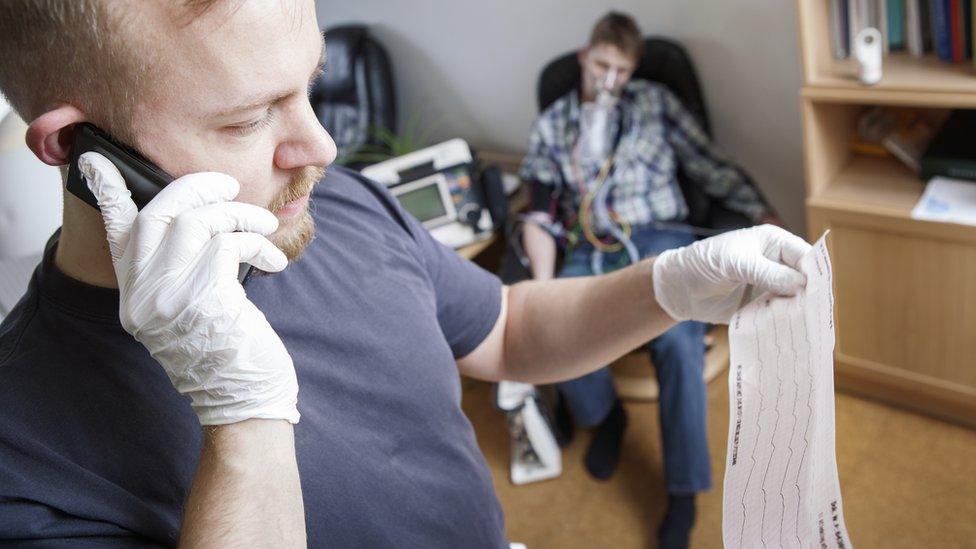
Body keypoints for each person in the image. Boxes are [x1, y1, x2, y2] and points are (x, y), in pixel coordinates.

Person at [0, 1, 810, 547]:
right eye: (248, 119)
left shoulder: (340, 202)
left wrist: (666, 284)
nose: (320, 147)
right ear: (79, 151)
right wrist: (242, 423)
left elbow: (511, 330)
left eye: (309, 87)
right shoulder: (23, 458)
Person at [518, 11, 782, 548]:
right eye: (599, 65)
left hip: (660, 237)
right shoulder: (553, 125)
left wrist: (762, 212)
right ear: (583, 59)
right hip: (588, 245)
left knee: (680, 341)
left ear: (633, 70)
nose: (607, 78)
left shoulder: (655, 108)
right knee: (555, 327)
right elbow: (540, 212)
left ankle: (683, 491)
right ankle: (606, 418)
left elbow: (710, 166)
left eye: (619, 69)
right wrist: (543, 287)